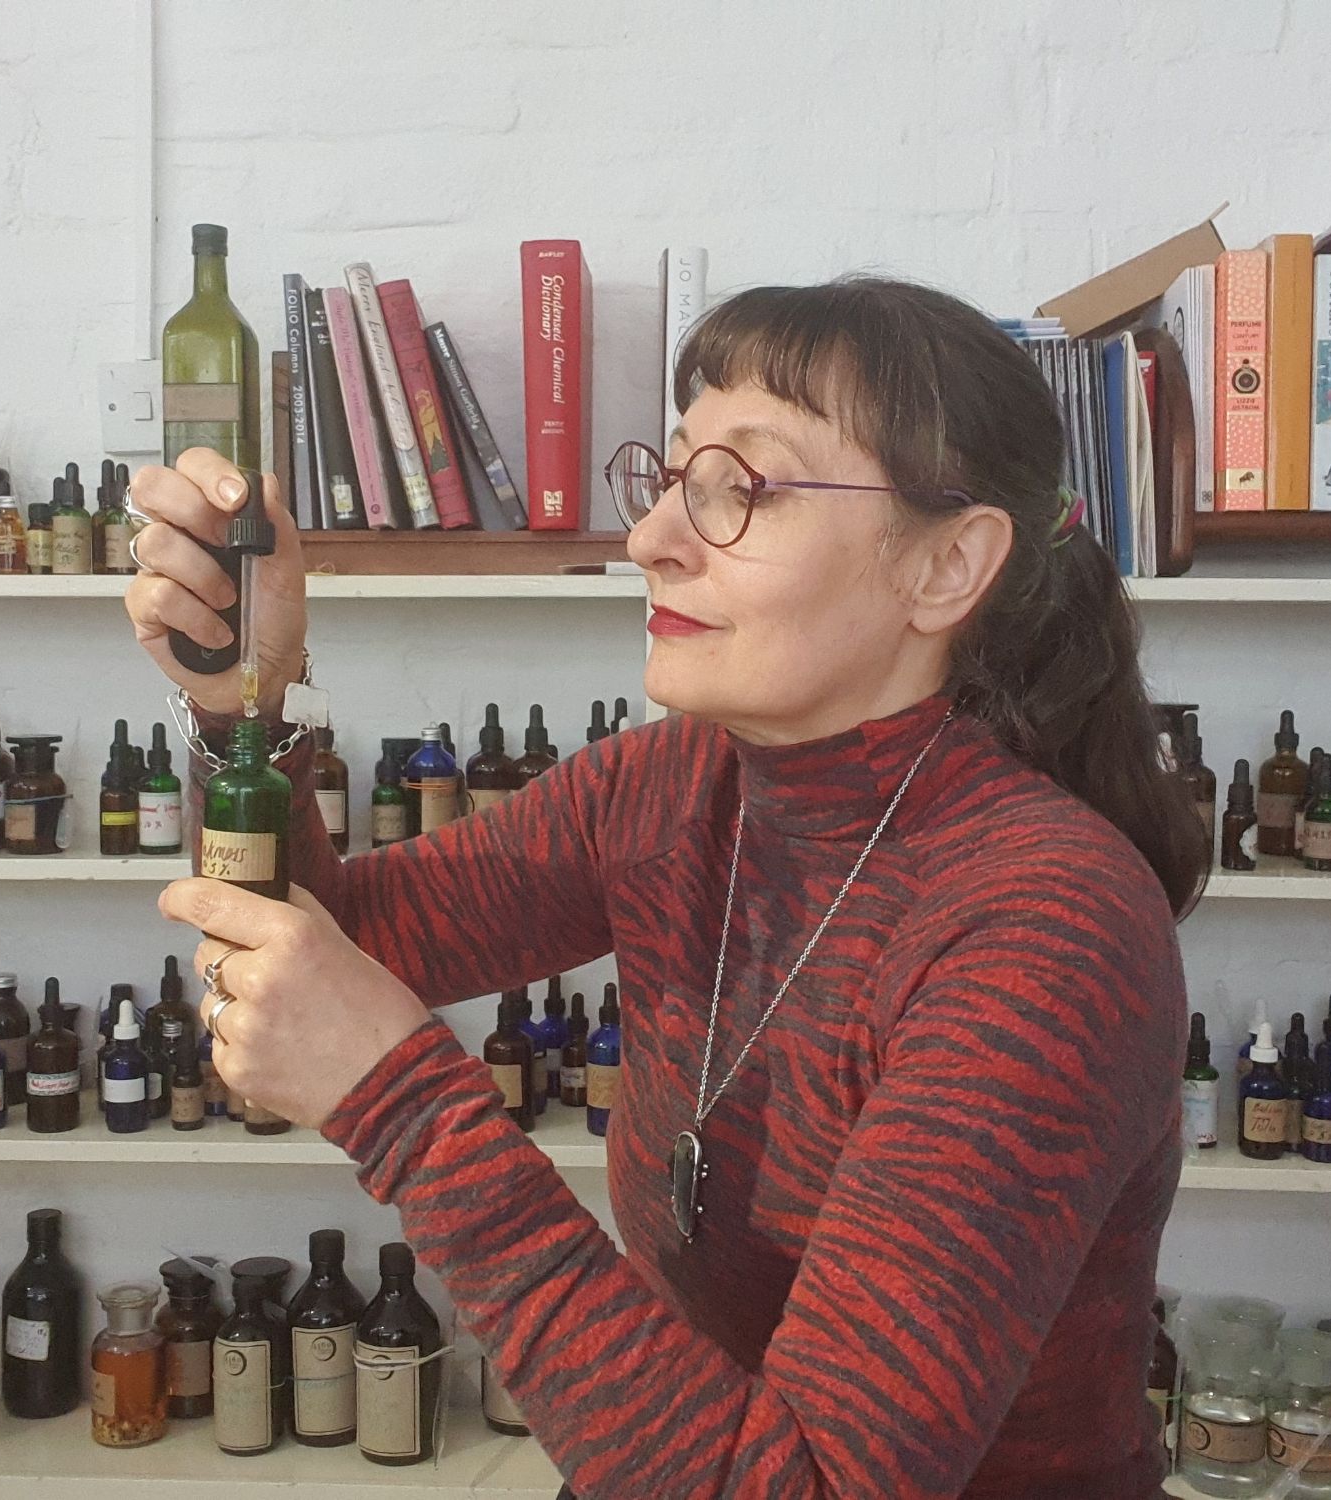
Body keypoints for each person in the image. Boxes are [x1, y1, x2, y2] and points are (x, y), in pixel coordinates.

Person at [124, 275, 1201, 1499]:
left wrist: (408, 1108)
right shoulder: (675, 789)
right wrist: (243, 704)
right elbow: (343, 940)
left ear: (946, 566)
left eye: (740, 488)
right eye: (676, 475)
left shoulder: (1040, 927)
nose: (649, 539)